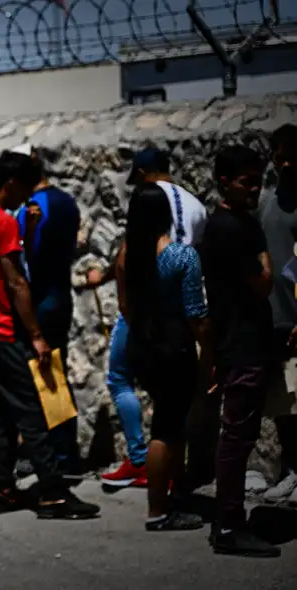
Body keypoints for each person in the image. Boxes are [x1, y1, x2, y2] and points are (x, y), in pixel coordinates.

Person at [0, 150, 100, 519]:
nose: (28, 198)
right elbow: (16, 282)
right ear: (11, 184)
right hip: (6, 331)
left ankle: (3, 489)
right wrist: (37, 334)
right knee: (32, 410)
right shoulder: (2, 221)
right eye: (25, 189)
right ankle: (53, 493)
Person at [87, 146, 208, 489]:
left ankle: (141, 459)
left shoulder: (146, 199)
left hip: (145, 312)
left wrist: (118, 293)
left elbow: (127, 258)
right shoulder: (197, 206)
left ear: (141, 174)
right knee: (174, 407)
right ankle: (173, 479)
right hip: (180, 315)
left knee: (120, 377)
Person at [200, 145, 279, 557]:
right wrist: (265, 250)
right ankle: (229, 524)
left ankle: (226, 521)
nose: (255, 189)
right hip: (244, 343)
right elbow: (263, 283)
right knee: (236, 437)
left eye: (257, 180)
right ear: (225, 181)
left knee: (236, 436)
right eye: (247, 181)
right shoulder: (237, 228)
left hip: (236, 341)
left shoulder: (219, 225)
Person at [121, 182, 212, 531]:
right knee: (167, 429)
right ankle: (159, 510)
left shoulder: (130, 256)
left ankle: (171, 497)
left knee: (167, 421)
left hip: (142, 345)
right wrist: (211, 351)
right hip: (174, 348)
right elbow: (196, 314)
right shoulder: (182, 256)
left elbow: (126, 305)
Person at [16, 146, 82, 473]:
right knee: (58, 372)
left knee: (44, 379)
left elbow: (29, 260)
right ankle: (64, 449)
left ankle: (57, 454)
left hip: (40, 299)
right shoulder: (67, 201)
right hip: (62, 295)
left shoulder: (31, 207)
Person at [258, 123, 297, 504]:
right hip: (273, 320)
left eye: (291, 153)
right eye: (280, 153)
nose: (285, 161)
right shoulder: (268, 201)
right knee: (284, 403)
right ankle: (290, 471)